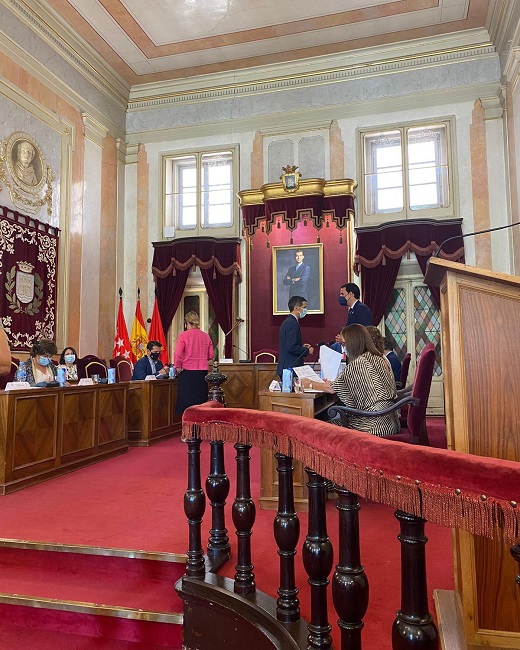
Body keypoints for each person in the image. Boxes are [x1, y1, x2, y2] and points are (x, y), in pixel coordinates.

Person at [300, 324, 399, 437]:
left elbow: (331, 388)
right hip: (390, 420)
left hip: (373, 424)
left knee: (321, 428)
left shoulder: (359, 362)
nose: (344, 348)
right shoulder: (380, 357)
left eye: (344, 344)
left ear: (353, 343)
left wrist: (310, 383)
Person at [174, 311, 214, 415]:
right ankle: (200, 426)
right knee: (200, 401)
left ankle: (187, 427)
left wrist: (178, 366)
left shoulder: (183, 335)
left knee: (186, 402)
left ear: (187, 323)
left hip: (187, 372)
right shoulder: (206, 336)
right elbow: (211, 355)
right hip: (202, 373)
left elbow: (177, 354)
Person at [276, 295, 314, 378]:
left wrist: (301, 346)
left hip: (288, 366)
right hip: (290, 367)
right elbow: (291, 347)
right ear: (296, 308)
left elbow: (290, 344)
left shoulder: (289, 321)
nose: (305, 310)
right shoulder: (292, 323)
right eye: (304, 307)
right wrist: (307, 350)